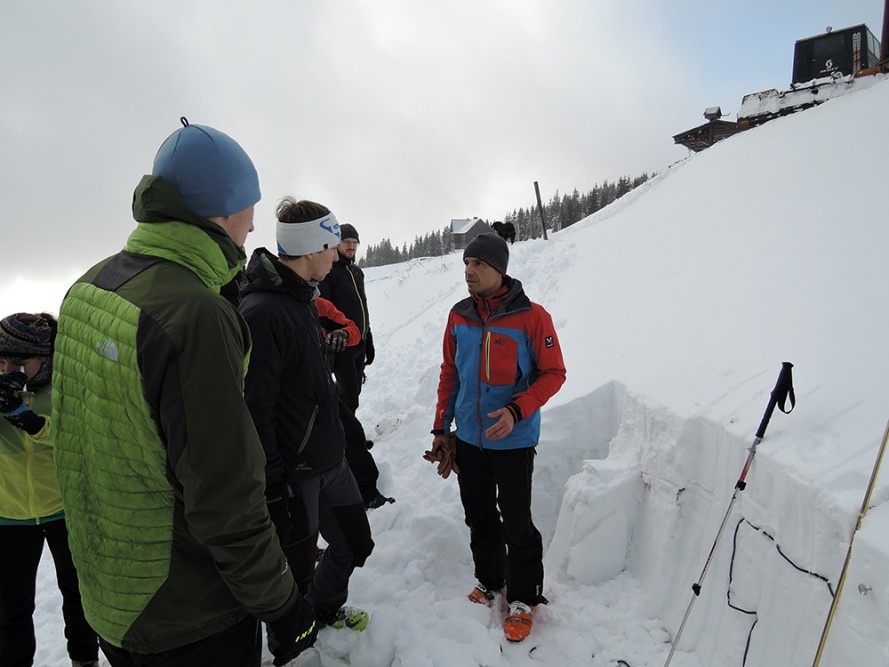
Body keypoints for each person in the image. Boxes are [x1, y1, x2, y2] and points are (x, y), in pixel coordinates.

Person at [52, 118, 316, 667]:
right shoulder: (195, 315)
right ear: (221, 210)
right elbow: (225, 494)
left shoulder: (89, 287)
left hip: (110, 592)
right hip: (186, 610)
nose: (252, 223)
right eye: (248, 206)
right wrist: (282, 604)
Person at [239, 197, 375, 638]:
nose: (336, 256)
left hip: (331, 458)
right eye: (331, 247)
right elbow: (256, 407)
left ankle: (322, 609)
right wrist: (273, 482)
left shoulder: (303, 299)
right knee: (294, 569)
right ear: (312, 249)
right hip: (296, 473)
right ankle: (292, 643)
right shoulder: (263, 312)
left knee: (355, 544)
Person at [424, 233, 566, 643]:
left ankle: (523, 597)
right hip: (469, 439)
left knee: (517, 520)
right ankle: (489, 580)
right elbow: (450, 372)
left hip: (514, 440)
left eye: (478, 264)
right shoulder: (459, 315)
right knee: (479, 515)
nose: (468, 271)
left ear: (499, 269)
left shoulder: (532, 317)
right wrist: (441, 428)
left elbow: (554, 373)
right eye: (466, 264)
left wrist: (516, 410)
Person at [0, 313, 100, 667]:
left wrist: (31, 421)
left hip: (64, 509)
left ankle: (84, 660)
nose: (7, 369)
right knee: (12, 609)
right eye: (1, 360)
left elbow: (80, 437)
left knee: (78, 595)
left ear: (44, 358)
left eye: (18, 362)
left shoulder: (66, 387)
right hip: (9, 515)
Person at [314, 297, 394, 510]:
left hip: (322, 388)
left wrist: (346, 334)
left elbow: (353, 327)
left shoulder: (318, 304)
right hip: (294, 400)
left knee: (352, 431)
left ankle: (367, 493)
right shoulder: (270, 310)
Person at [318, 223, 374, 413]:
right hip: (341, 346)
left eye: (355, 243)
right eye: (346, 242)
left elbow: (362, 309)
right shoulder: (330, 271)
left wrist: (368, 338)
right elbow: (322, 310)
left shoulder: (357, 272)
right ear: (337, 244)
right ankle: (343, 431)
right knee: (348, 396)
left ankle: (344, 428)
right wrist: (327, 344)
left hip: (359, 342)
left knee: (355, 390)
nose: (351, 246)